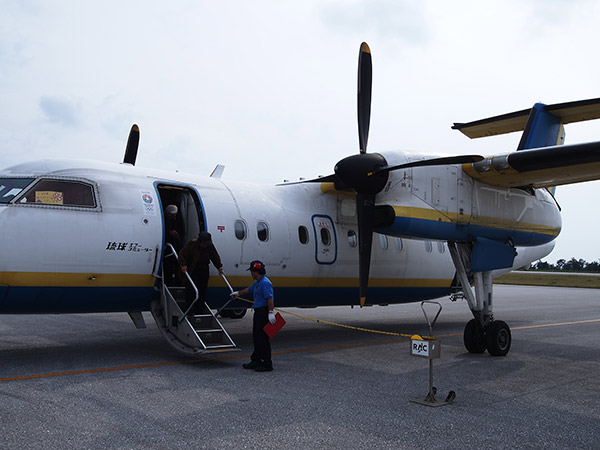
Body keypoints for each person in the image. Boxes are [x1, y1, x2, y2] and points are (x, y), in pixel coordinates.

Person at [230, 260, 276, 372]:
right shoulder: (258, 282)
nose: (251, 274)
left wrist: (270, 313)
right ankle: (256, 360)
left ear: (256, 272)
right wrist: (238, 293)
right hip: (258, 312)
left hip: (263, 312)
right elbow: (249, 290)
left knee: (263, 338)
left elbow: (269, 298)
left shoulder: (265, 283)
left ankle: (267, 364)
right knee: (257, 337)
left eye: (251, 271)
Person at [178, 231, 224, 314]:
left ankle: (199, 310)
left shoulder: (209, 246)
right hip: (193, 270)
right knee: (191, 291)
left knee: (202, 290)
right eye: (203, 244)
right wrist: (183, 265)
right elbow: (181, 255)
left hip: (204, 270)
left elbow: (214, 257)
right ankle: (189, 310)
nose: (204, 245)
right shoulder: (192, 244)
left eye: (206, 244)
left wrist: (219, 267)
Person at [164, 204, 183, 285]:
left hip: (174, 245)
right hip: (166, 245)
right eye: (170, 214)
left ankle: (175, 281)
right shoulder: (164, 219)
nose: (171, 216)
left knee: (174, 263)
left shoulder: (177, 220)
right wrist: (169, 232)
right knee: (167, 264)